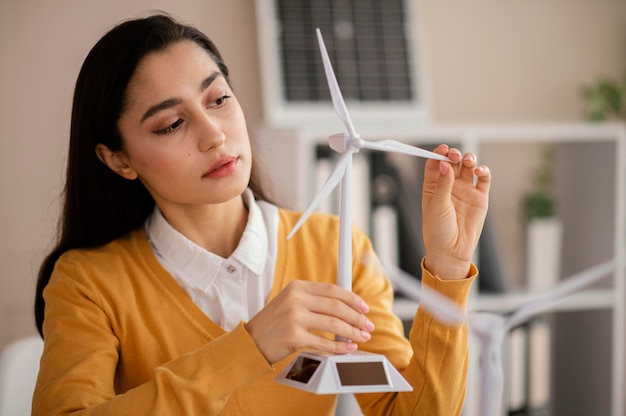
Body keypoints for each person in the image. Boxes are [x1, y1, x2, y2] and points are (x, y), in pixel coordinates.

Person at [32, 12, 491, 416]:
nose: (214, 135)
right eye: (172, 124)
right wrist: (249, 347)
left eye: (218, 100)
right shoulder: (87, 283)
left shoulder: (337, 249)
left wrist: (448, 269)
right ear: (119, 160)